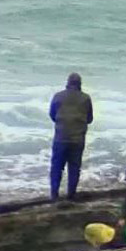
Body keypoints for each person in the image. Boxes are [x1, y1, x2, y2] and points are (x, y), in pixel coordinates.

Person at [49, 72, 93, 201]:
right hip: (77, 139)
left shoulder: (58, 96)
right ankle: (71, 195)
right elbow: (89, 119)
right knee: (74, 168)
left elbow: (52, 115)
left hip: (61, 138)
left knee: (57, 167)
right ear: (80, 84)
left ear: (67, 83)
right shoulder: (86, 98)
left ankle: (54, 195)